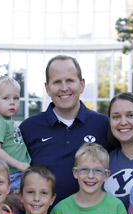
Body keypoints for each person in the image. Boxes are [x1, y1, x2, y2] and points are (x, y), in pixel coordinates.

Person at [19, 55, 110, 205]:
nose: (64, 88)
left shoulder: (103, 125)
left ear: (82, 84)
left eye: (69, 81)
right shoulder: (28, 128)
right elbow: (9, 173)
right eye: (57, 82)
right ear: (47, 88)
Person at [0, 75, 31, 194]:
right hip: (12, 174)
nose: (12, 102)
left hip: (18, 173)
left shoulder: (7, 122)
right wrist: (19, 164)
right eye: (6, 98)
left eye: (16, 98)